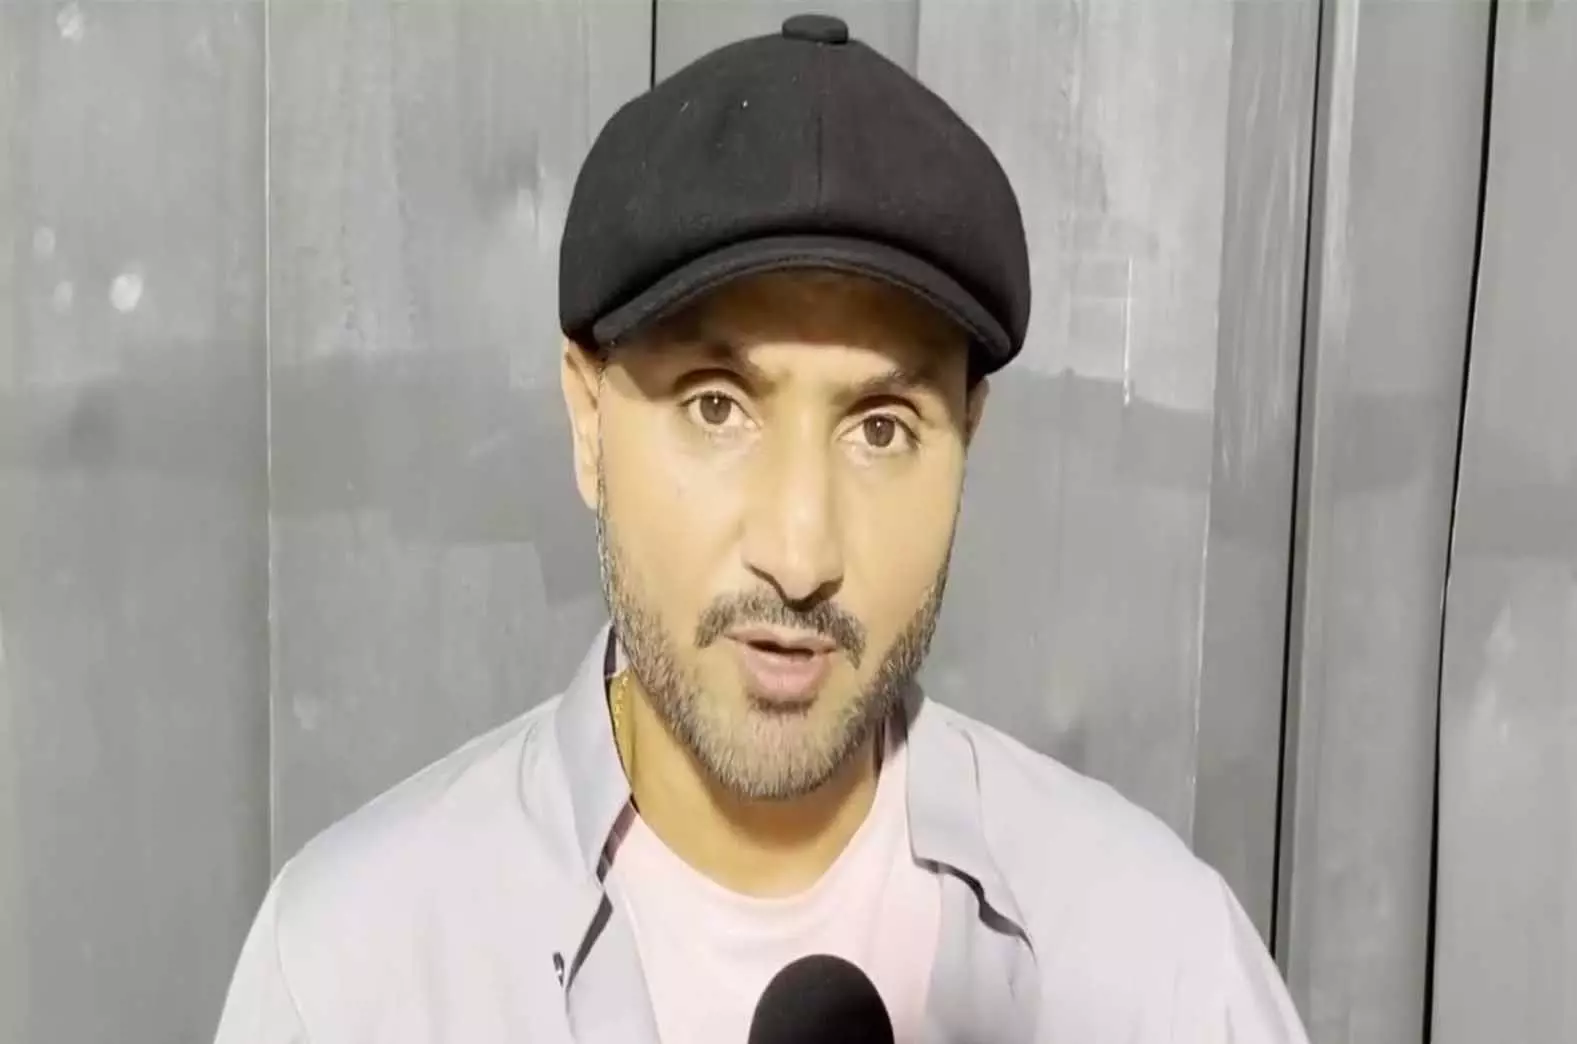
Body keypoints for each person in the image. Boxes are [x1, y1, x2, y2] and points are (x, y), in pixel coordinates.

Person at [214, 14, 1310, 1044]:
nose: (798, 555)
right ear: (588, 421)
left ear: (967, 439)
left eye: (881, 429)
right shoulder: (351, 976)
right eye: (715, 408)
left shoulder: (1162, 968)